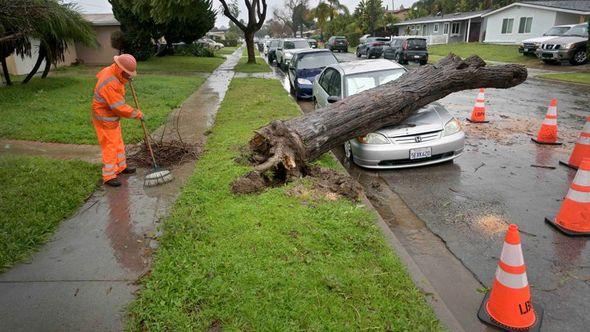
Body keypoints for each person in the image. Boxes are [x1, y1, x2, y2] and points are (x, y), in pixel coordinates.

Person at [92, 54, 143, 187]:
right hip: (105, 118)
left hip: (112, 117)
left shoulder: (114, 72)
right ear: (121, 70)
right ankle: (109, 175)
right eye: (128, 74)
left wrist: (126, 79)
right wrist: (137, 114)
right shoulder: (110, 82)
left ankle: (121, 167)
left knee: (118, 142)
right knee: (110, 146)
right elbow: (119, 107)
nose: (129, 76)